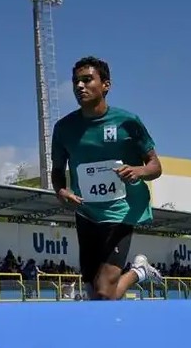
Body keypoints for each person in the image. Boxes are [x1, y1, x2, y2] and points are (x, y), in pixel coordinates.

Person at [51, 56, 164, 300]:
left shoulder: (127, 122)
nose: (79, 86)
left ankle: (136, 273)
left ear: (106, 85)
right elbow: (57, 170)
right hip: (86, 213)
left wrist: (138, 171)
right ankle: (139, 271)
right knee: (95, 294)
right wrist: (61, 191)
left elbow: (155, 166)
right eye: (75, 82)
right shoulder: (64, 128)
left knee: (103, 291)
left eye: (87, 80)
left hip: (121, 211)